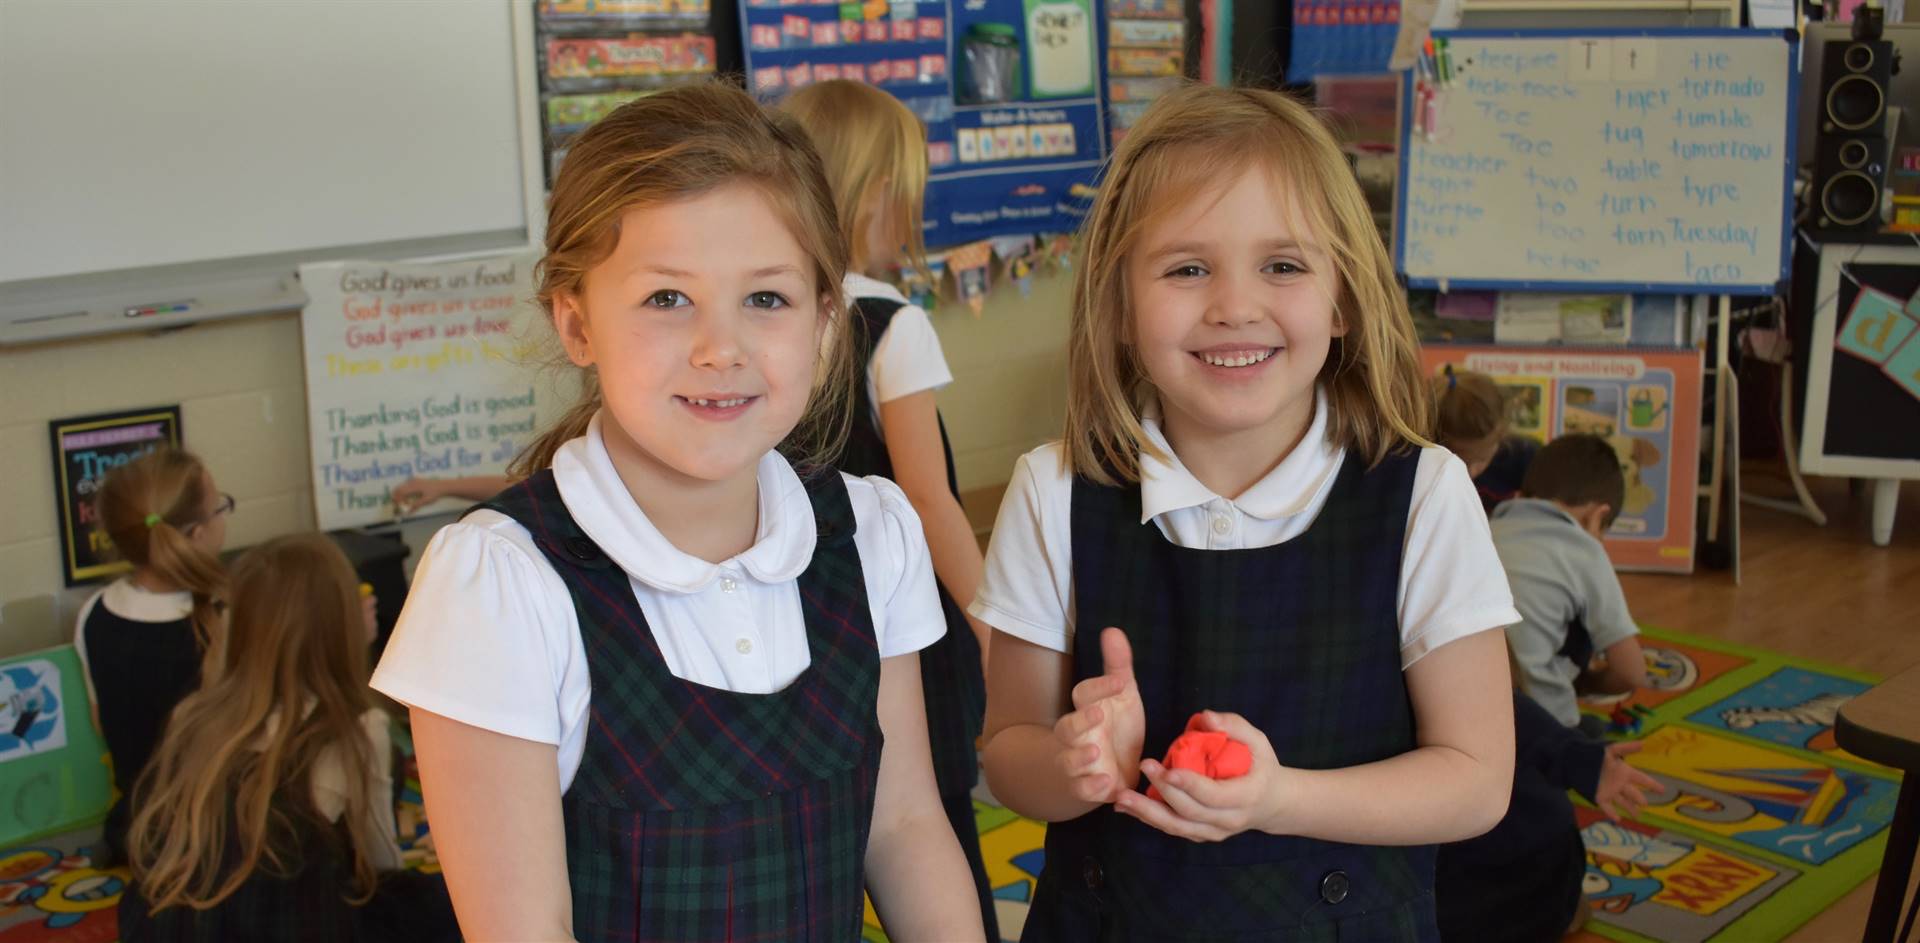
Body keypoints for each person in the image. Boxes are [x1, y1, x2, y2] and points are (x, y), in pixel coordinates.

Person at [369, 81, 984, 942]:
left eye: (766, 298)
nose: (719, 348)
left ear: (823, 323)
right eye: (666, 298)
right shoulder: (504, 584)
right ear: (577, 324)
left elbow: (907, 826)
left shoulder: (870, 532)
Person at [973, 84, 1520, 940]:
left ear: (1342, 297)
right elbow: (1008, 751)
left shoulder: (1424, 494)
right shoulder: (1053, 490)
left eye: (1284, 265)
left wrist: (1279, 797)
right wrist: (1072, 761)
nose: (1234, 304)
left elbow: (1478, 780)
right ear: (1118, 304)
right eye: (1187, 267)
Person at [783, 78, 997, 938]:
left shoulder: (778, 312)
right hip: (898, 630)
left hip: (799, 620)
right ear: (875, 191)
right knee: (933, 825)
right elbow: (930, 500)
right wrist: (999, 625)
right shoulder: (889, 322)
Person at [118, 534, 456, 942]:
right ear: (339, 627)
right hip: (275, 923)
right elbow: (379, 864)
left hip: (166, 923)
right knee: (431, 904)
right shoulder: (358, 730)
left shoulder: (193, 716)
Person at [75, 447, 231, 865]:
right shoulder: (223, 619)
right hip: (213, 837)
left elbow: (102, 721)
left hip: (138, 828)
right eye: (220, 508)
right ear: (197, 533)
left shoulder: (94, 613)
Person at [1434, 657, 1659, 943]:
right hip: (1539, 871)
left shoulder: (1469, 696)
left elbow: (1540, 732)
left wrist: (1589, 763)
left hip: (1524, 874)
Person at [1492, 433, 1648, 734]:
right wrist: (1586, 683)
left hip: (1471, 714)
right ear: (1596, 516)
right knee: (1595, 745)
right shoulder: (1585, 550)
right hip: (1543, 723)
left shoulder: (1487, 526)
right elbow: (1631, 673)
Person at [1429, 365, 1535, 512]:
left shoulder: (1523, 460)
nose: (1470, 473)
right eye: (1461, 463)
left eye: (1480, 460)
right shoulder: (1417, 473)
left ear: (1501, 434)